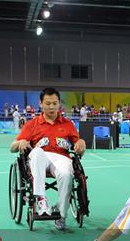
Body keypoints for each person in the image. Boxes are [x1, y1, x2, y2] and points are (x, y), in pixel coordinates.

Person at [10, 87, 86, 230]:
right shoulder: (31, 124)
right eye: (48, 103)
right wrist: (20, 143)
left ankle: (61, 213)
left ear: (59, 104)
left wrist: (81, 143)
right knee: (37, 151)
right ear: (41, 104)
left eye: (55, 103)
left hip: (62, 158)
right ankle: (41, 199)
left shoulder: (68, 124)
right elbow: (12, 147)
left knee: (66, 175)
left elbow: (78, 145)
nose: (51, 107)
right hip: (40, 158)